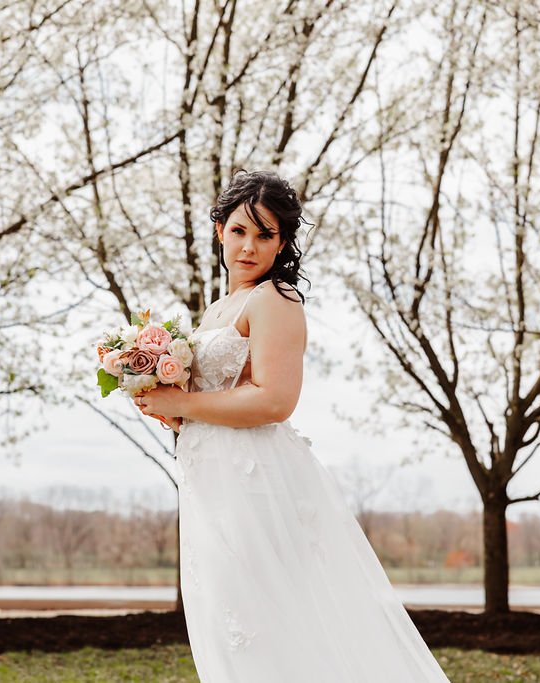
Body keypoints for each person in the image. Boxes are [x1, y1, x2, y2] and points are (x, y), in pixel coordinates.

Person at [133, 171, 450, 682]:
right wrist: (167, 406)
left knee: (265, 619)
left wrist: (186, 403)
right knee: (225, 614)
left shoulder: (275, 298)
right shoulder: (217, 310)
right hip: (209, 478)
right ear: (219, 230)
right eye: (239, 231)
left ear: (282, 243)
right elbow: (212, 396)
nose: (249, 246)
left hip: (251, 478)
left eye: (265, 235)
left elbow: (276, 400)